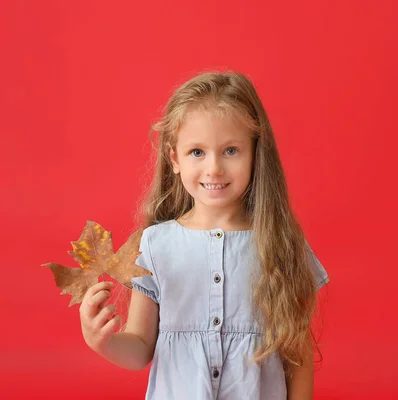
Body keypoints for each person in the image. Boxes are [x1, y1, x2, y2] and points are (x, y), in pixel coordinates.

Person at [77, 71, 330, 399]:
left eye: (231, 151)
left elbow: (297, 356)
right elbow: (140, 348)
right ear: (174, 158)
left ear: (255, 153)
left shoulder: (280, 243)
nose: (214, 168)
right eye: (197, 152)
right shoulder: (155, 246)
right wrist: (103, 341)